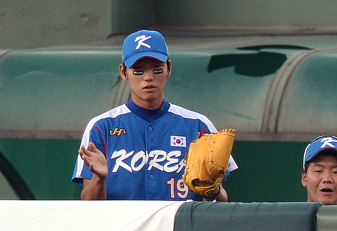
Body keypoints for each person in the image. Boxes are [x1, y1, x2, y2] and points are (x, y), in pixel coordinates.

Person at [72, 30, 236, 202]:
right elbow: (89, 204)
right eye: (138, 71)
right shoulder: (101, 127)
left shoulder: (198, 125)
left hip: (178, 226)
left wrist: (212, 191)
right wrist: (99, 178)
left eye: (157, 69)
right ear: (123, 72)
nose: (148, 78)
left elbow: (220, 203)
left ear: (169, 69)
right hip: (124, 228)